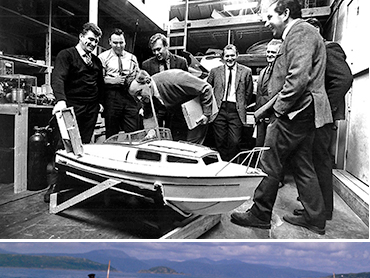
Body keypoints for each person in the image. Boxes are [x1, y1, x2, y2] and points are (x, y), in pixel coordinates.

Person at [230, 0, 333, 235]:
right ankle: (315, 217)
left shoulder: (300, 32)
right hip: (304, 111)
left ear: (285, 13)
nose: (266, 23)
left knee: (269, 159)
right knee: (302, 161)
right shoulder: (302, 33)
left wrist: (278, 111)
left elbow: (297, 79)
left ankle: (260, 213)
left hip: (296, 110)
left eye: (269, 17)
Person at [291, 18, 353, 220]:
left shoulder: (328, 47)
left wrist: (326, 107)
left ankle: (322, 211)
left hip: (321, 118)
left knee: (320, 162)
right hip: (316, 117)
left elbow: (344, 79)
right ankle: (317, 209)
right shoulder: (317, 51)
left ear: (317, 31)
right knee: (315, 161)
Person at [44, 22, 104, 203]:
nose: (93, 44)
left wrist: (100, 103)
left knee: (82, 147)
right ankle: (55, 186)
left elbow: (100, 85)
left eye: (96, 41)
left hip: (90, 110)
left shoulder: (96, 61)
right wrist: (61, 100)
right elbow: (58, 78)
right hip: (71, 109)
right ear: (81, 36)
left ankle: (76, 184)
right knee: (63, 147)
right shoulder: (67, 55)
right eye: (90, 39)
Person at [128, 69, 212, 144]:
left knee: (192, 147)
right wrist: (151, 131)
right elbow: (148, 115)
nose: (139, 98)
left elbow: (206, 88)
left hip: (197, 115)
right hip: (178, 118)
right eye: (136, 97)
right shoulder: (147, 96)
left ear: (148, 82)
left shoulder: (175, 79)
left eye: (139, 93)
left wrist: (206, 114)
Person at [207, 44, 253, 161]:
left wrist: (242, 105)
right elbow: (206, 90)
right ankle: (222, 164)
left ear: (237, 55)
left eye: (232, 55)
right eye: (227, 56)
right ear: (223, 57)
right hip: (219, 109)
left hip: (236, 111)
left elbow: (248, 93)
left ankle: (231, 164)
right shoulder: (214, 72)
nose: (230, 58)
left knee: (235, 141)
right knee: (220, 140)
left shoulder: (246, 72)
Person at [142, 33, 190, 141]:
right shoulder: (147, 65)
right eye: (154, 50)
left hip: (176, 109)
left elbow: (186, 87)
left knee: (177, 139)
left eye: (159, 49)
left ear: (166, 46)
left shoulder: (181, 62)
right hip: (158, 108)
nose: (157, 53)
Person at [98, 28, 141, 138]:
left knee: (133, 130)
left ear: (125, 42)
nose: (118, 45)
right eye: (115, 42)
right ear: (110, 42)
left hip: (129, 96)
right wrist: (112, 81)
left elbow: (138, 77)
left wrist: (134, 78)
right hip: (112, 97)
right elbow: (98, 79)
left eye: (121, 42)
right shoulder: (103, 57)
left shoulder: (132, 58)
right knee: (112, 132)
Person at [255, 39, 282, 147]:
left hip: (274, 116)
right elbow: (259, 95)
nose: (270, 55)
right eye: (268, 52)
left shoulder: (282, 72)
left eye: (273, 52)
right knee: (259, 145)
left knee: (270, 148)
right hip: (261, 116)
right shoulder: (263, 71)